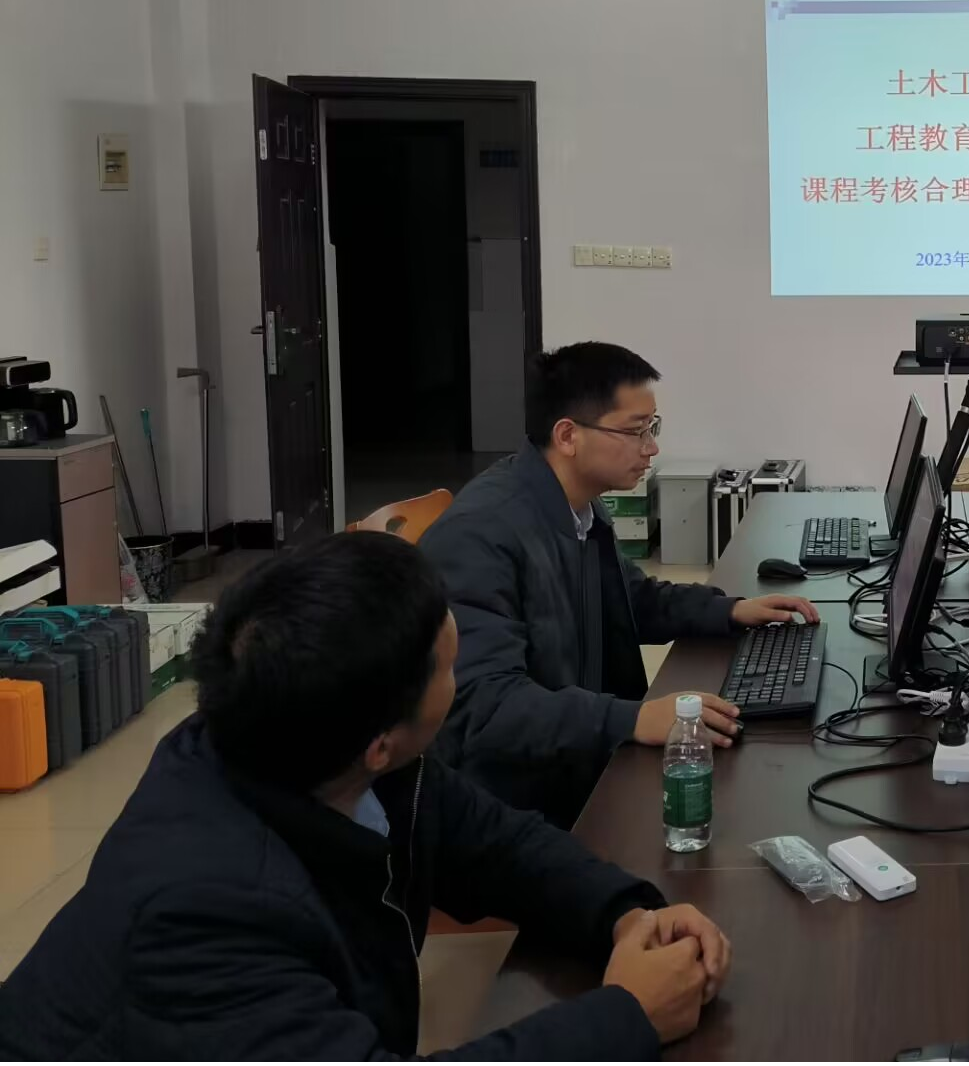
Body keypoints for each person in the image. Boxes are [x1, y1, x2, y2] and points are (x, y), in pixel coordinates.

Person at [0, 532, 730, 1060]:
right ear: (381, 740)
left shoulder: (309, 738)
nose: (464, 676)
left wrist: (626, 913)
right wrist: (626, 1016)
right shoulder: (205, 916)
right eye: (452, 668)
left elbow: (498, 846)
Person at [421, 341, 819, 826]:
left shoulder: (576, 505)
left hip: (575, 758)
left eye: (652, 428)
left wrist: (730, 610)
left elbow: (631, 599)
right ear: (568, 435)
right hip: (511, 809)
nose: (651, 447)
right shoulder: (481, 535)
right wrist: (633, 719)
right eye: (635, 431)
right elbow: (486, 707)